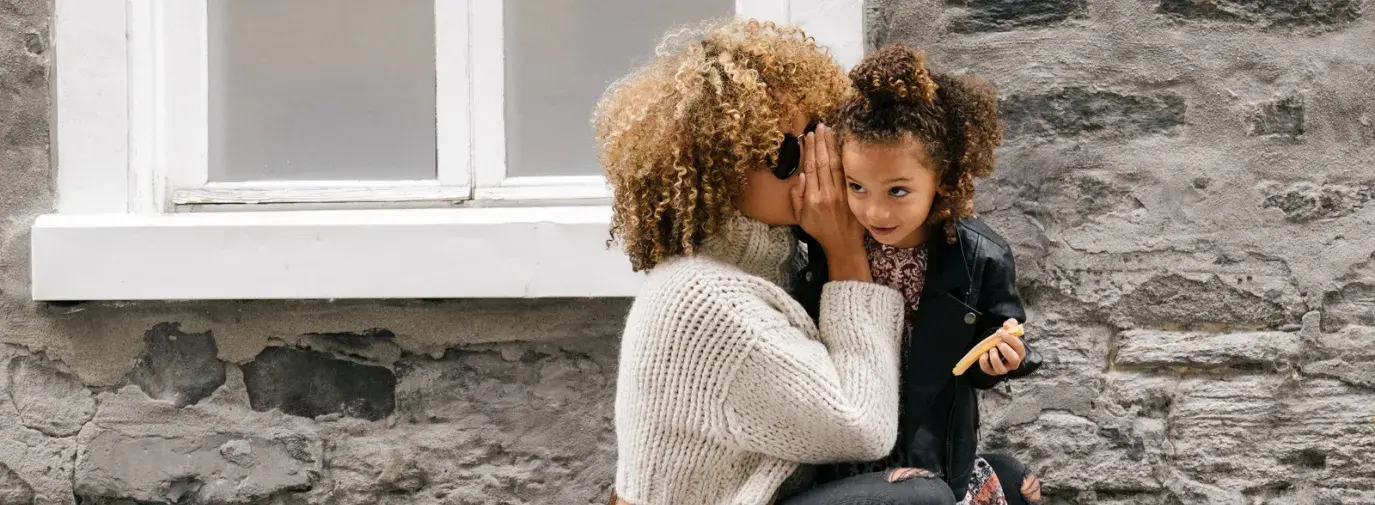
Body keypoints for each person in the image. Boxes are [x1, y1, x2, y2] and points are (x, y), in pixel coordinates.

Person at [594, 19, 908, 505]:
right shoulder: (702, 297)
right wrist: (846, 250)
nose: (812, 164)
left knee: (997, 478)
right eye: (783, 151)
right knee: (918, 498)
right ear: (719, 167)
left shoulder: (766, 271)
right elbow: (863, 425)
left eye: (817, 138)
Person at [783, 44, 1045, 505]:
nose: (875, 210)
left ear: (942, 178)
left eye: (898, 190)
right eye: (856, 186)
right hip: (847, 449)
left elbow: (997, 336)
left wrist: (1004, 357)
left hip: (933, 449)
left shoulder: (980, 255)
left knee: (1007, 485)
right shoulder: (829, 247)